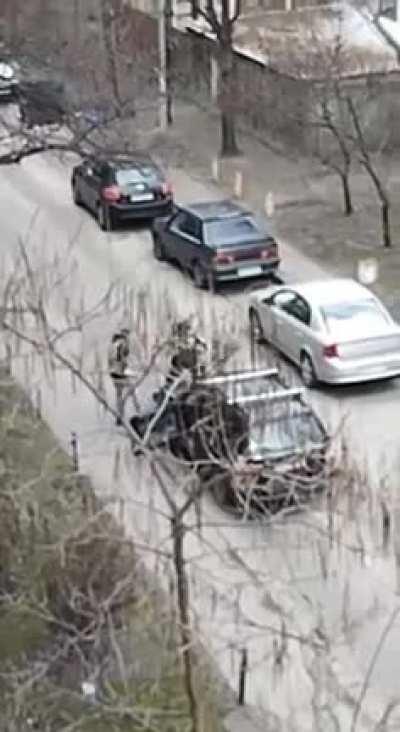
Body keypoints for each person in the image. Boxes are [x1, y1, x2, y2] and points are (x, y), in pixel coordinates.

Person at [108, 327, 130, 426]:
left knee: (119, 395)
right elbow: (122, 356)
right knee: (124, 394)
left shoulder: (114, 344)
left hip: (115, 371)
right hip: (120, 371)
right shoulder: (122, 343)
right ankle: (121, 416)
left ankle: (120, 416)